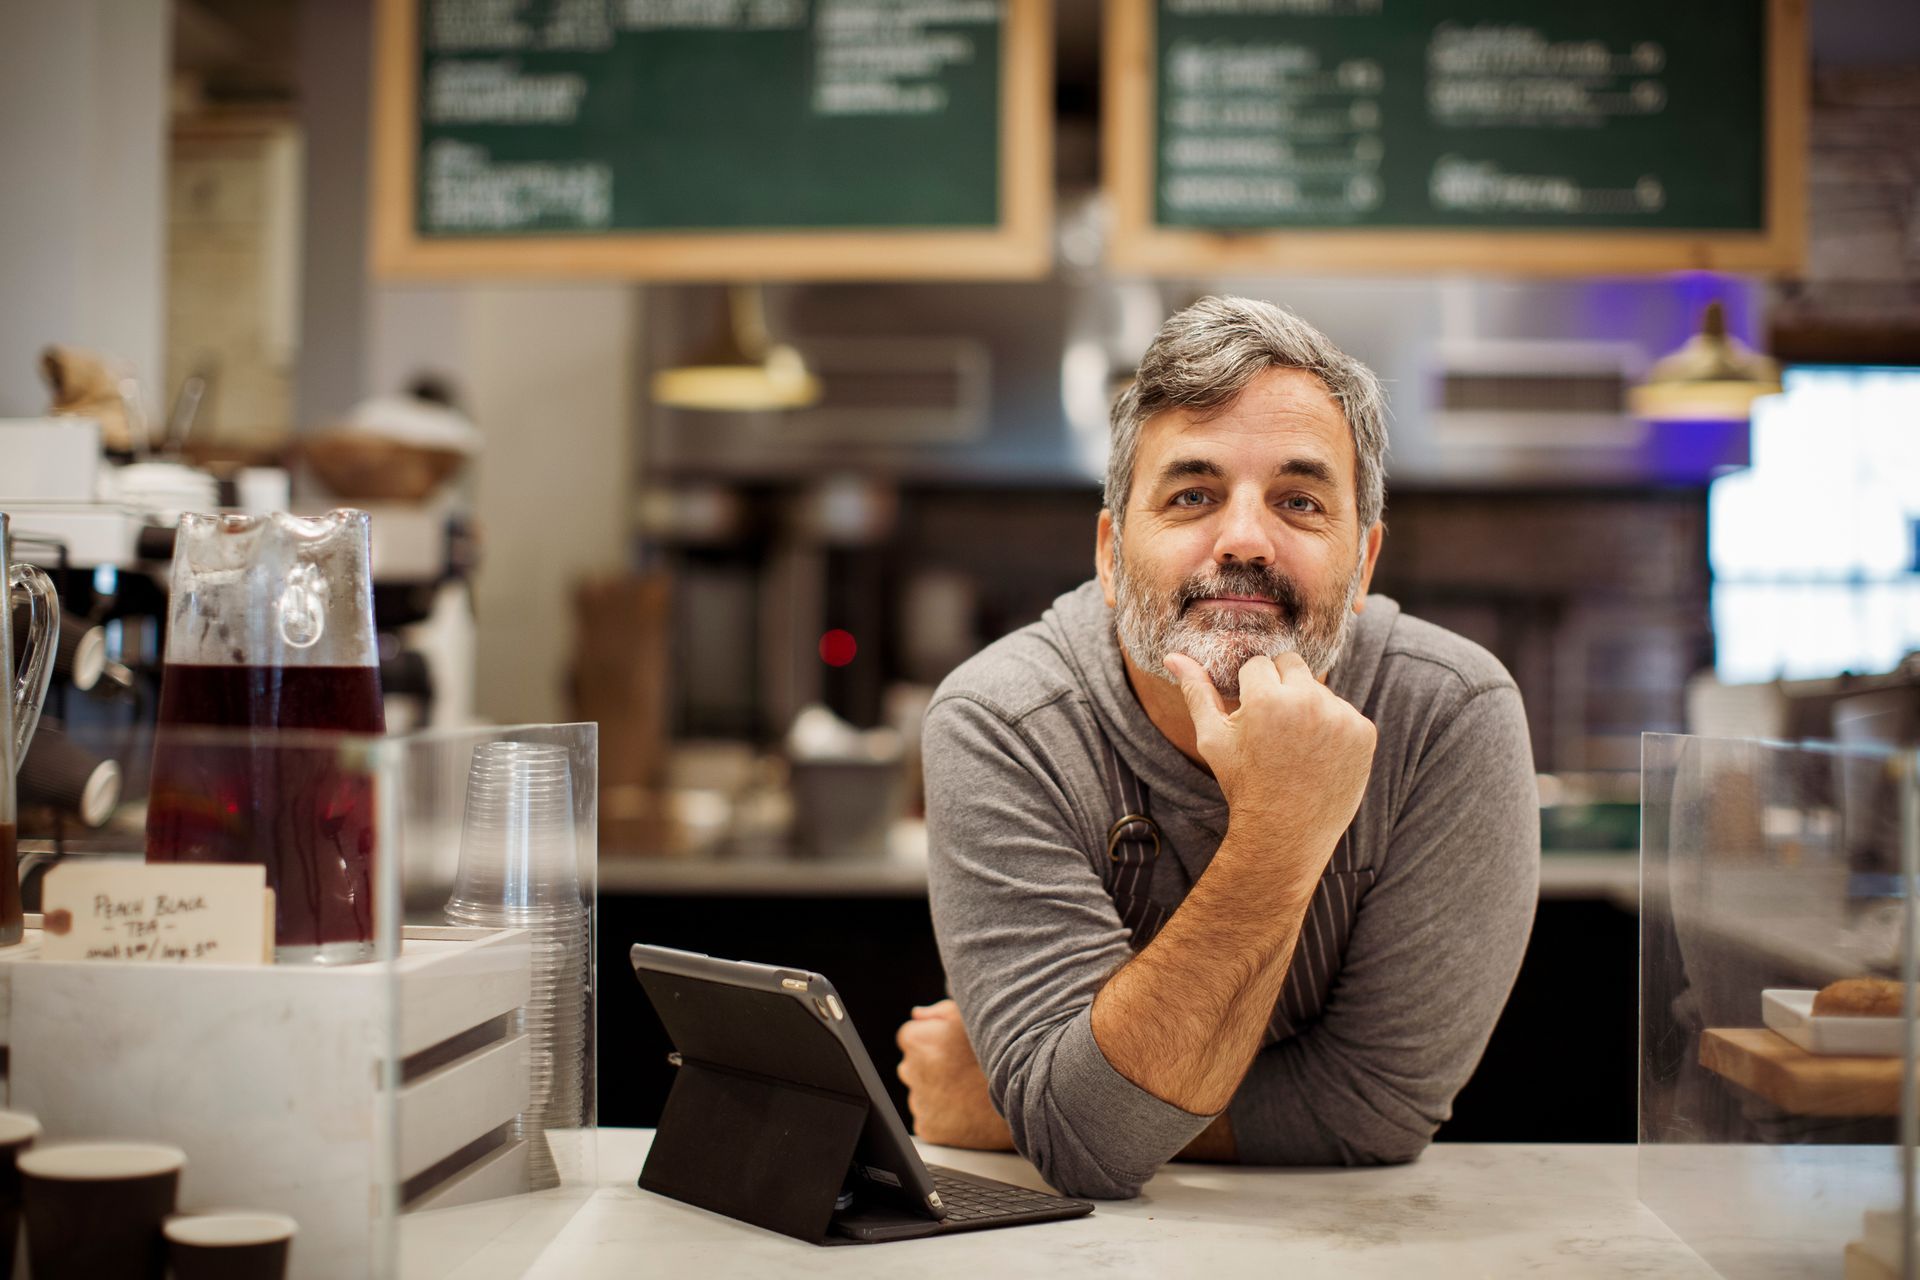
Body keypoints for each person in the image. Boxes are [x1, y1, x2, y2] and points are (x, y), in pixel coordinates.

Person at [895, 296, 1539, 1199]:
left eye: (1300, 500)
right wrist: (1281, 836)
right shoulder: (1002, 721)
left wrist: (1024, 1108)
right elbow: (1086, 1142)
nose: (1243, 538)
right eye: (1193, 494)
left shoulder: (1450, 715)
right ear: (1112, 555)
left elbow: (1372, 1111)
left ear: (1364, 566)